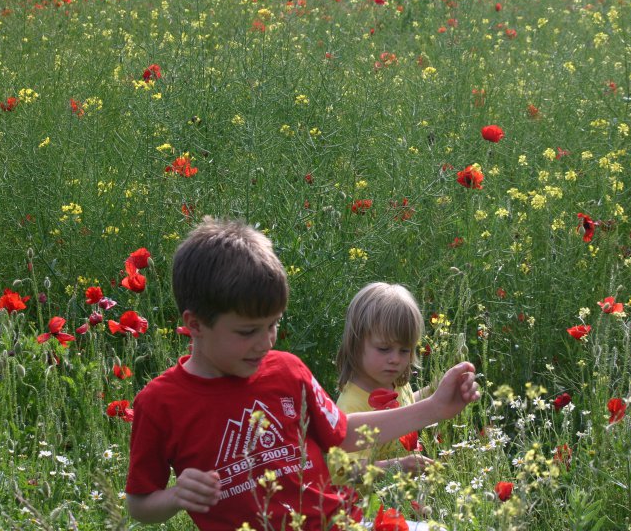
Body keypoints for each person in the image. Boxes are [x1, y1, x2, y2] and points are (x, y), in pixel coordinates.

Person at [124, 217, 480, 530]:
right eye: (248, 332)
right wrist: (175, 497)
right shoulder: (160, 403)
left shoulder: (287, 370)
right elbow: (140, 504)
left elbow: (341, 433)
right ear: (195, 324)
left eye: (273, 325)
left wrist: (434, 408)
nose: (265, 343)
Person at [335, 282, 433, 474]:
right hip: (369, 500)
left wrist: (435, 389)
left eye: (404, 350)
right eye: (383, 349)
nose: (395, 359)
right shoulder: (351, 407)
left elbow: (406, 407)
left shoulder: (394, 384)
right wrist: (397, 466)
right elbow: (344, 471)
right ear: (356, 344)